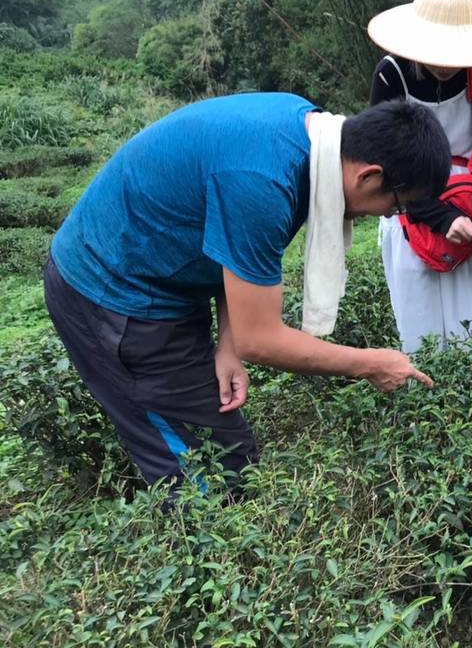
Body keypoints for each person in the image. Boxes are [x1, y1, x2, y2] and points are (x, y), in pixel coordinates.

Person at [45, 93, 451, 490]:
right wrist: (370, 363)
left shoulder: (306, 134)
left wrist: (228, 344)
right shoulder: (264, 182)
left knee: (226, 455)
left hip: (168, 278)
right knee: (203, 471)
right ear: (369, 176)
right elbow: (261, 339)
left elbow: (231, 247)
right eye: (397, 205)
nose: (389, 216)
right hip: (112, 294)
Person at [367, 0, 472, 353]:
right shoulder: (392, 75)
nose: (446, 63)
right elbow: (384, 160)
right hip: (412, 204)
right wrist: (442, 217)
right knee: (423, 330)